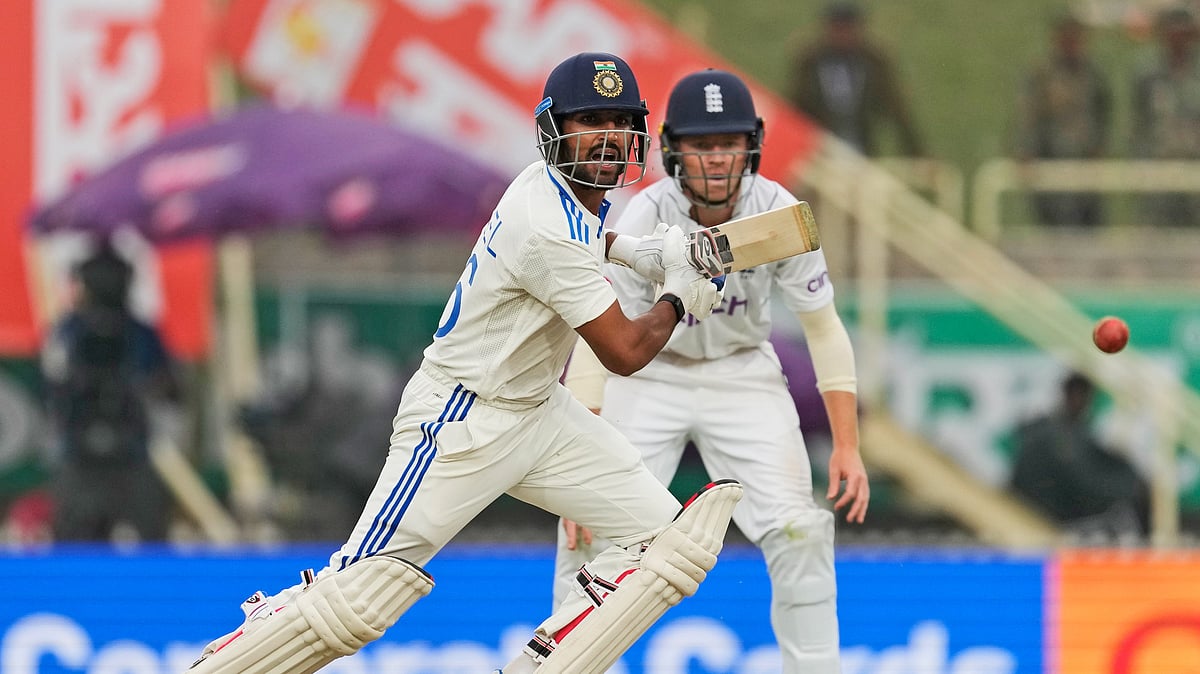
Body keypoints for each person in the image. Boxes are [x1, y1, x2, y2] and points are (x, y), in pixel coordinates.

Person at [187, 52, 737, 674]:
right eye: (589, 121)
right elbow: (625, 352)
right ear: (555, 128)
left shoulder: (552, 189)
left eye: (618, 121)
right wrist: (678, 296)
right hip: (460, 421)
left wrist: (639, 251)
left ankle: (545, 660)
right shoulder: (547, 222)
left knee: (667, 543)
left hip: (539, 415)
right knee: (359, 601)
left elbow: (588, 240)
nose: (607, 138)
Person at [556, 69, 870, 674]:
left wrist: (848, 444)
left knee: (800, 533)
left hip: (740, 374)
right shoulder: (645, 213)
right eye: (702, 145)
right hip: (647, 373)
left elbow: (824, 327)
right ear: (672, 149)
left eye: (728, 143)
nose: (718, 160)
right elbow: (597, 337)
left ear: (751, 144)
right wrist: (579, 456)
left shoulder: (777, 211)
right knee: (591, 535)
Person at [40, 239, 182, 543]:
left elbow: (166, 386)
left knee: (147, 538)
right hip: (84, 450)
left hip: (126, 448)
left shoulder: (134, 331)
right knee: (77, 543)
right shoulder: (73, 329)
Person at [1009, 372, 1149, 539]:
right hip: (1044, 516)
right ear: (1066, 394)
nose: (1082, 402)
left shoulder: (1072, 430)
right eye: (1077, 394)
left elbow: (1099, 461)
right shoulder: (1056, 435)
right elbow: (1084, 483)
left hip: (1053, 512)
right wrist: (1130, 486)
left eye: (1085, 396)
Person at [786, 1, 924, 157]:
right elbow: (794, 107)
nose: (843, 35)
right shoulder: (809, 61)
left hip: (862, 145)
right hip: (821, 147)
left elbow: (896, 106)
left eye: (848, 28)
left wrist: (916, 150)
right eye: (837, 28)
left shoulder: (875, 61)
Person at [1012, 14, 1112, 227]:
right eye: (1067, 37)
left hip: (1085, 167)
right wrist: (1026, 150)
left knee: (1088, 225)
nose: (1072, 43)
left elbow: (1103, 112)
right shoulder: (1042, 74)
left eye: (1077, 37)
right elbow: (1029, 114)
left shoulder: (1094, 74)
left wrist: (1099, 149)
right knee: (1053, 225)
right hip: (1051, 163)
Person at [1131, 5, 1200, 226]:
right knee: (1159, 235)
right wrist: (1141, 167)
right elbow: (1139, 123)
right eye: (1172, 31)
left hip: (1194, 168)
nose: (1178, 38)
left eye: (1183, 32)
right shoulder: (1147, 74)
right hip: (1159, 168)